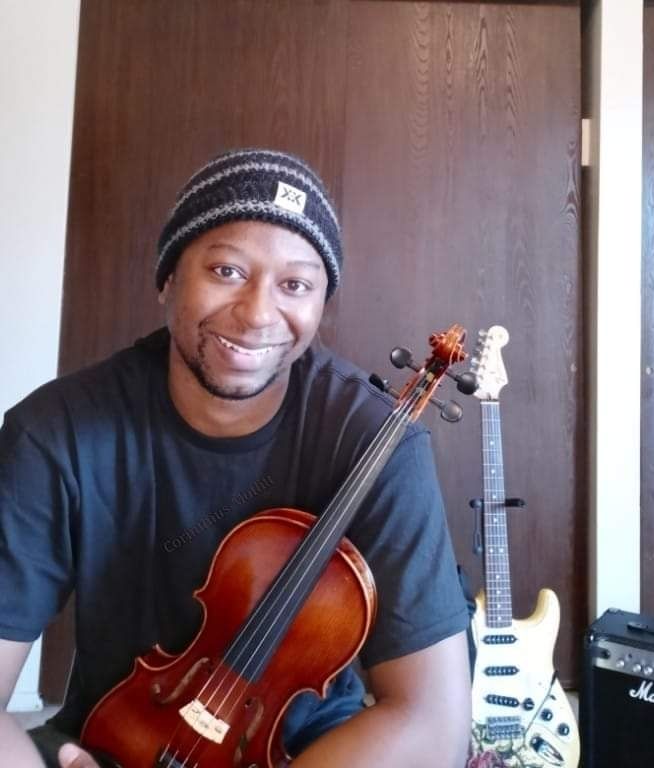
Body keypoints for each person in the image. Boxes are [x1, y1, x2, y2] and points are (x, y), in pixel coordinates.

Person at [0, 148, 472, 767]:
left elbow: (433, 723)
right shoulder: (53, 433)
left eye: (295, 285)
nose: (255, 314)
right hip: (116, 742)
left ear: (320, 304)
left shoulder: (377, 442)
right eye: (225, 271)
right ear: (168, 278)